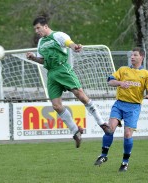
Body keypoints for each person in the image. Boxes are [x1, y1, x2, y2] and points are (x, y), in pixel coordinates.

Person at [26, 15, 111, 148]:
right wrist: (33, 58)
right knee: (56, 106)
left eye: (38, 28)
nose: (37, 31)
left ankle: (102, 123)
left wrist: (74, 46)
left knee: (80, 95)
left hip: (62, 69)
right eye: (35, 29)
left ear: (46, 26)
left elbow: (68, 43)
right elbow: (42, 60)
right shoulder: (41, 43)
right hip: (51, 74)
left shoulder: (58, 35)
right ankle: (75, 131)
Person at [94, 47, 148, 172]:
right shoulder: (123, 70)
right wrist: (120, 83)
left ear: (142, 57)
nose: (132, 57)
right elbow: (110, 81)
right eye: (131, 55)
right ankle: (103, 155)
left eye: (135, 55)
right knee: (109, 129)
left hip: (133, 107)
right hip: (119, 104)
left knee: (127, 134)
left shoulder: (146, 74)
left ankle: (125, 162)